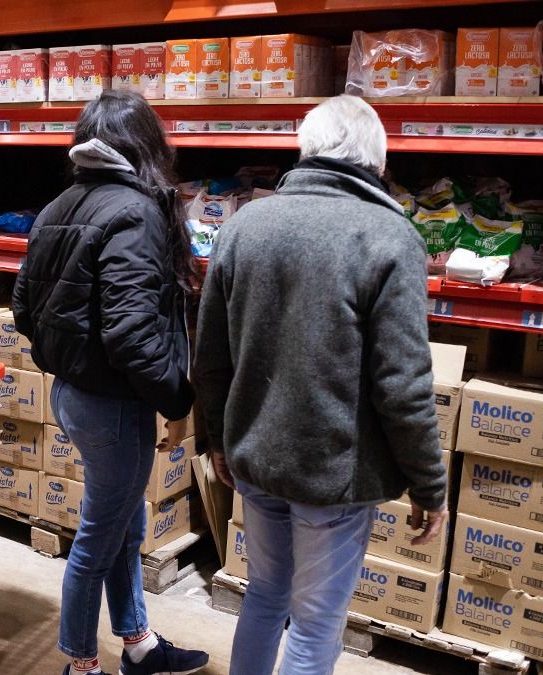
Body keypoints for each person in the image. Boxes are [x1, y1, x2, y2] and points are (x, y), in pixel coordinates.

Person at [193, 95, 448, 675]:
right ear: (377, 164)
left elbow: (209, 353)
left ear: (305, 150)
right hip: (332, 474)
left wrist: (214, 438)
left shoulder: (243, 226)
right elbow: (403, 383)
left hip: (254, 459)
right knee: (316, 625)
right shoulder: (388, 236)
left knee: (262, 596)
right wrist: (429, 485)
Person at [13, 90, 209, 675]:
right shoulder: (136, 211)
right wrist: (178, 399)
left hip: (74, 396)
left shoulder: (59, 206)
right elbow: (130, 332)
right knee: (99, 538)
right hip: (112, 406)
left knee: (126, 523)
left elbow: (24, 309)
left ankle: (139, 643)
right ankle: (80, 663)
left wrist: (71, 359)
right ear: (147, 145)